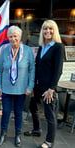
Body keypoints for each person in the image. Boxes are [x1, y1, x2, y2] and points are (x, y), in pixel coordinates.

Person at [24, 20, 64, 148]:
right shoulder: (42, 47)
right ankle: (37, 130)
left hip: (48, 88)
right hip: (38, 85)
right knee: (32, 107)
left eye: (50, 29)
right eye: (45, 29)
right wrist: (33, 86)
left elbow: (58, 70)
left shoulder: (58, 47)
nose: (48, 31)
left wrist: (52, 89)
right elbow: (38, 67)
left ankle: (49, 141)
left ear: (54, 31)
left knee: (49, 115)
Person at [0, 25, 35, 147]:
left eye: (15, 36)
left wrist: (30, 86)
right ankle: (3, 134)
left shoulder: (28, 51)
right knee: (6, 112)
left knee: (18, 113)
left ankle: (18, 135)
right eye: (11, 37)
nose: (13, 39)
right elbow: (0, 70)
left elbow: (32, 69)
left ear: (20, 37)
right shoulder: (4, 51)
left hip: (21, 89)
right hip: (6, 88)